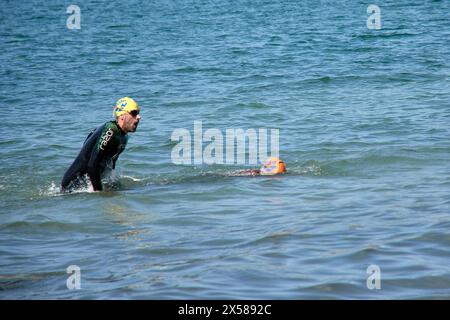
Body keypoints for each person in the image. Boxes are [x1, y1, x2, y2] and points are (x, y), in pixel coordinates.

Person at [60, 97, 141, 192]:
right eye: (134, 113)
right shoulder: (110, 130)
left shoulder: (123, 136)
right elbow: (92, 163)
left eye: (138, 113)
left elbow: (110, 164)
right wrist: (99, 193)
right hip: (73, 186)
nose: (139, 117)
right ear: (122, 115)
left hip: (90, 181)